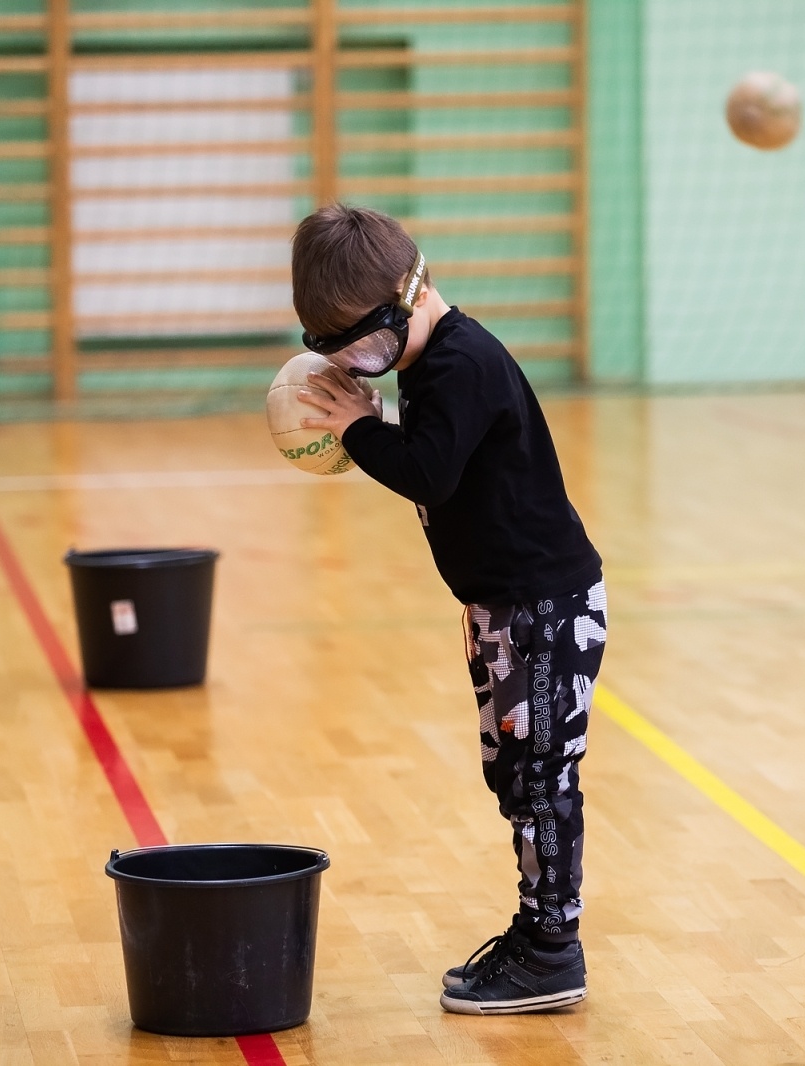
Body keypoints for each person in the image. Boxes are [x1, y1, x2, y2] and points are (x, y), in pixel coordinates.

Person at [291, 203, 607, 1015]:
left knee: (541, 781)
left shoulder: (462, 362)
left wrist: (361, 429)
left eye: (357, 340)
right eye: (330, 348)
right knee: (513, 774)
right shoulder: (423, 364)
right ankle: (537, 930)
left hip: (543, 610)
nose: (354, 362)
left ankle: (552, 952)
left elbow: (429, 472)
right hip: (502, 608)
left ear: (411, 291)